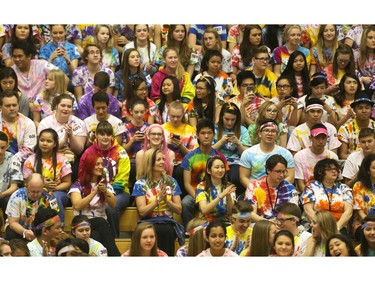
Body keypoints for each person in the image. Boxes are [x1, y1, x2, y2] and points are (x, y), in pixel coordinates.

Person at [79, 121, 130, 239]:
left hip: (119, 192)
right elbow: (82, 174)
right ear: (95, 135)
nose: (105, 137)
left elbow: (123, 178)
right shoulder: (88, 152)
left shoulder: (120, 151)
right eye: (102, 134)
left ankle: (114, 239)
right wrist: (94, 191)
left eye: (108, 134)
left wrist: (108, 191)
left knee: (109, 206)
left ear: (112, 136)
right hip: (93, 190)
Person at [132, 148, 184, 256]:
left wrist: (167, 201)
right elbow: (142, 211)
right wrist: (157, 200)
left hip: (167, 221)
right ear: (150, 162)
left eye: (163, 159)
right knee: (154, 231)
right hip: (148, 221)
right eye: (158, 159)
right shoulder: (140, 184)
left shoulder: (171, 182)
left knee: (167, 230)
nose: (162, 162)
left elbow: (179, 209)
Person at [68, 152, 120, 256]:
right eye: (97, 164)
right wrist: (95, 192)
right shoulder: (78, 185)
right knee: (100, 222)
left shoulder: (105, 184)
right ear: (89, 165)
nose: (100, 167)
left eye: (102, 164)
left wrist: (105, 191)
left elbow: (114, 205)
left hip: (99, 228)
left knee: (95, 235)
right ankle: (116, 256)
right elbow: (77, 205)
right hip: (83, 223)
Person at [181, 118, 228, 228]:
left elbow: (224, 178)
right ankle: (189, 232)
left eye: (209, 133)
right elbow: (187, 184)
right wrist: (200, 197)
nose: (206, 136)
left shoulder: (220, 157)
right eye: (202, 133)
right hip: (195, 193)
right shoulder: (189, 157)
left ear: (213, 135)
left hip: (216, 191)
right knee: (186, 203)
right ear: (197, 135)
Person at [23, 128, 72, 225]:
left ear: (54, 144)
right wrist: (42, 184)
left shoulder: (62, 160)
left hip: (59, 192)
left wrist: (54, 188)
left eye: (49, 141)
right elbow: (26, 183)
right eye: (42, 140)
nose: (44, 143)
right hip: (36, 191)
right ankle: (32, 226)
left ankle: (60, 226)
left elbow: (67, 182)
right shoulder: (30, 160)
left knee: (54, 197)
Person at [38, 94, 87, 180]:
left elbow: (79, 150)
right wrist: (64, 140)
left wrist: (71, 136)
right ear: (56, 106)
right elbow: (43, 147)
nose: (66, 109)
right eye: (63, 105)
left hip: (71, 158)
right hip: (48, 155)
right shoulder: (45, 123)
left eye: (69, 106)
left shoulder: (79, 123)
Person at [302, 158, 353, 235]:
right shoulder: (311, 186)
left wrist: (336, 228)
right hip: (315, 225)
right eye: (330, 169)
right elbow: (308, 210)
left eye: (336, 169)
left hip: (338, 226)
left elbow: (348, 212)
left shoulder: (344, 188)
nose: (334, 171)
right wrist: (322, 226)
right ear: (320, 172)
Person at [239, 119, 295, 186]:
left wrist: (275, 190)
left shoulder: (286, 154)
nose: (270, 134)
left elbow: (290, 177)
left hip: (279, 190)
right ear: (260, 133)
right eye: (266, 130)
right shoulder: (248, 153)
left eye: (273, 131)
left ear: (277, 135)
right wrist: (255, 190)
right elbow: (243, 177)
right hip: (256, 190)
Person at [4, 173, 59, 241]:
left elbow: (56, 218)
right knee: (11, 233)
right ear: (26, 186)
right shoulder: (16, 197)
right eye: (32, 191)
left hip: (40, 230)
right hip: (20, 230)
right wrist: (25, 232)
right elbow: (13, 223)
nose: (35, 195)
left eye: (38, 191)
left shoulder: (49, 196)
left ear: (42, 187)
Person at [244, 154, 299, 222]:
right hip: (261, 224)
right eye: (278, 171)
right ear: (268, 170)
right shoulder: (254, 186)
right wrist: (268, 222)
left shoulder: (290, 189)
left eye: (284, 171)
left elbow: (294, 213)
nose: (281, 175)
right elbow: (251, 213)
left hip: (283, 224)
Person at [212, 102, 250, 196]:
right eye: (227, 119)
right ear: (221, 117)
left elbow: (247, 153)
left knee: (236, 177)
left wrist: (238, 144)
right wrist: (220, 142)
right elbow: (208, 151)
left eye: (233, 119)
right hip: (217, 160)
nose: (230, 122)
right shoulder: (214, 129)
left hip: (236, 162)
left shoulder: (243, 130)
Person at [294, 124, 339, 193]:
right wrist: (310, 197)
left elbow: (337, 181)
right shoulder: (299, 156)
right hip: (307, 194)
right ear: (310, 138)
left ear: (327, 139)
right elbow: (300, 183)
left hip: (330, 193)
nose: (320, 141)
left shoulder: (332, 156)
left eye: (323, 138)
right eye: (317, 138)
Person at [195, 156, 236, 222]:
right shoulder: (201, 186)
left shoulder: (229, 186)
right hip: (206, 222)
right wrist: (221, 196)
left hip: (225, 221)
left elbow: (231, 212)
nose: (220, 170)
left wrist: (228, 196)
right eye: (217, 167)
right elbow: (204, 210)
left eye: (222, 167)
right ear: (208, 171)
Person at [0, 90, 37, 164]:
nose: (12, 108)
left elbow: (28, 149)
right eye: (8, 106)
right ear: (0, 107)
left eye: (14, 105)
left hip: (20, 163)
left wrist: (9, 161)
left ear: (18, 105)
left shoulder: (28, 123)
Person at [338, 91, 375, 160]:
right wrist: (358, 161)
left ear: (371, 110)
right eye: (360, 108)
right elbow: (342, 155)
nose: (364, 111)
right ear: (354, 109)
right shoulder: (345, 128)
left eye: (367, 108)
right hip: (352, 163)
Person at [122, 98, 150, 186]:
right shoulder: (124, 127)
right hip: (129, 160)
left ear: (146, 111)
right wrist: (133, 140)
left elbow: (152, 149)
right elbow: (123, 150)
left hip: (145, 160)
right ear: (131, 111)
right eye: (136, 112)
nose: (139, 115)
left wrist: (146, 142)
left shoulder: (149, 128)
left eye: (142, 112)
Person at [0, 131, 23, 221]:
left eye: (2, 148)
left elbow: (14, 186)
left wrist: (2, 194)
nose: (0, 151)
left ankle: (9, 225)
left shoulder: (14, 159)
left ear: (7, 147)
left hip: (5, 194)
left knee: (9, 200)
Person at [352, 154, 375, 240]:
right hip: (363, 223)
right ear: (368, 171)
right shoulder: (358, 186)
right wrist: (372, 225)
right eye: (374, 168)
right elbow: (360, 213)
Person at [356, 25, 375, 90]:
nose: (374, 40)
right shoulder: (357, 54)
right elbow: (353, 72)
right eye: (370, 38)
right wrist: (362, 78)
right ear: (364, 39)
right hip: (363, 85)